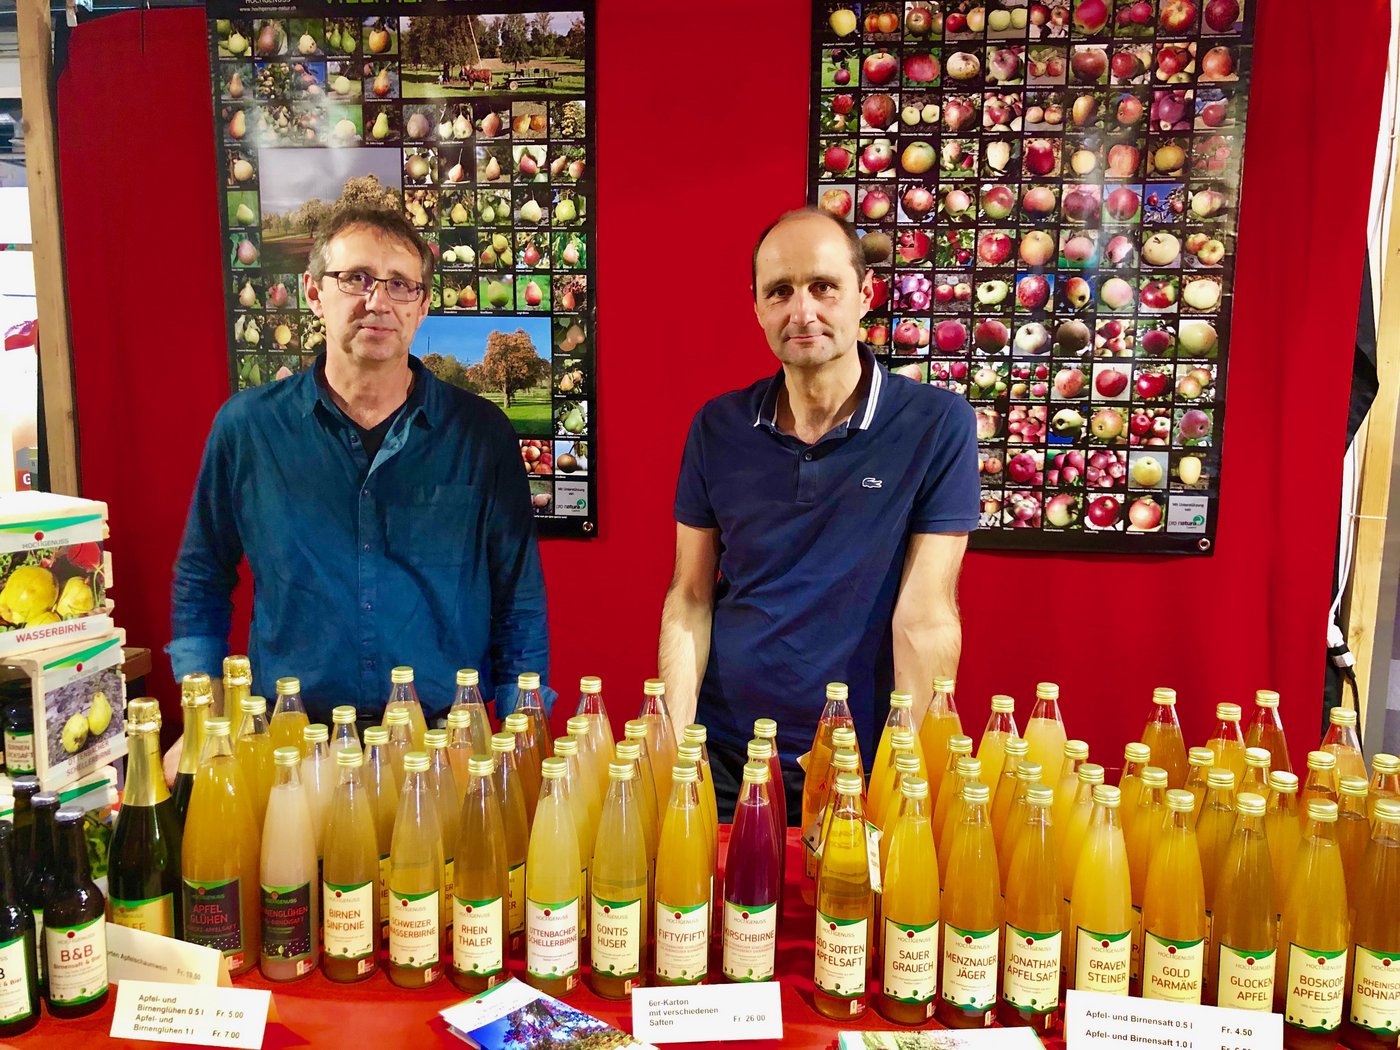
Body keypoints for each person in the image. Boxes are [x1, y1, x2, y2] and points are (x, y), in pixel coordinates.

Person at [166, 203, 550, 771]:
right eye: (356, 279)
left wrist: (527, 727)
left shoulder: (479, 434)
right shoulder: (247, 429)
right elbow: (200, 580)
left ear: (421, 307)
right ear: (314, 293)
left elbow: (518, 599)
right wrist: (204, 723)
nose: (377, 302)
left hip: (443, 745)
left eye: (399, 285)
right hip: (291, 745)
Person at [658, 207, 979, 819]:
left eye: (823, 287)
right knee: (709, 915)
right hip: (728, 757)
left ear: (865, 296)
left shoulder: (936, 425)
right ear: (756, 308)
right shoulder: (717, 427)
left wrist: (906, 769)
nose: (801, 312)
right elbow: (691, 596)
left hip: (862, 764)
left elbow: (926, 614)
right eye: (779, 291)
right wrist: (675, 748)